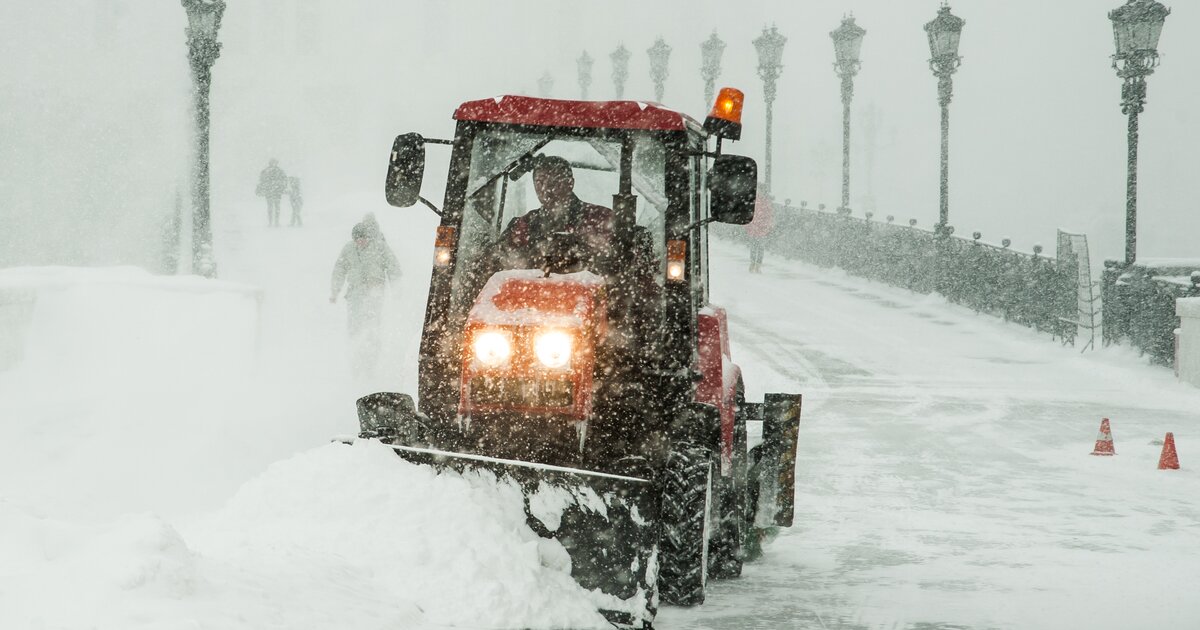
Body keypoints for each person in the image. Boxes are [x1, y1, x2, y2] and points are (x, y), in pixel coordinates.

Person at [496, 155, 615, 271]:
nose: (546, 190)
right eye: (539, 183)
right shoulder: (523, 224)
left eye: (554, 182)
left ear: (570, 183)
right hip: (532, 289)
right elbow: (499, 259)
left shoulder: (601, 218)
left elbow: (615, 263)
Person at [330, 221, 401, 376]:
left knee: (372, 329)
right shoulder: (348, 249)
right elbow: (339, 269)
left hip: (374, 294)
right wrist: (335, 290)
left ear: (368, 237)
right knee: (355, 329)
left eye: (363, 238)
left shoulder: (380, 247)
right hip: (354, 295)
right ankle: (356, 362)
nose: (360, 241)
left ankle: (370, 364)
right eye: (357, 239)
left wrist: (397, 290)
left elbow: (393, 267)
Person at [744, 183, 774, 273]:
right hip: (757, 228)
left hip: (758, 228)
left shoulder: (758, 200)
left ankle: (756, 265)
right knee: (756, 247)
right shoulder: (763, 201)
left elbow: (768, 216)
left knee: (757, 247)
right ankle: (755, 264)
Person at [256, 159, 288, 227]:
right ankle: (272, 222)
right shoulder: (279, 171)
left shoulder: (267, 171)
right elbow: (284, 180)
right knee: (272, 207)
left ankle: (275, 222)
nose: (274, 164)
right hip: (273, 191)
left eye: (275, 162)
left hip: (274, 191)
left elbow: (262, 181)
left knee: (275, 207)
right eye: (273, 162)